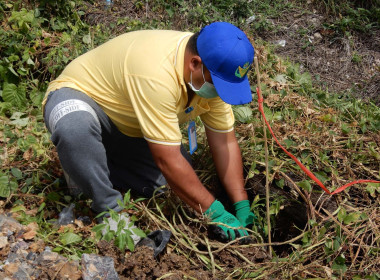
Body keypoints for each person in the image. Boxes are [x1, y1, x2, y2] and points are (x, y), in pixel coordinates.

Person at [42, 21, 256, 242]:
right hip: (80, 98)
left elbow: (225, 143)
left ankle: (87, 164)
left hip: (129, 128)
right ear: (195, 64)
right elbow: (168, 160)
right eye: (219, 85)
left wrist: (241, 204)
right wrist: (215, 213)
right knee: (74, 128)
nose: (221, 92)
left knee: (172, 186)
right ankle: (108, 211)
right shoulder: (156, 73)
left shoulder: (213, 74)